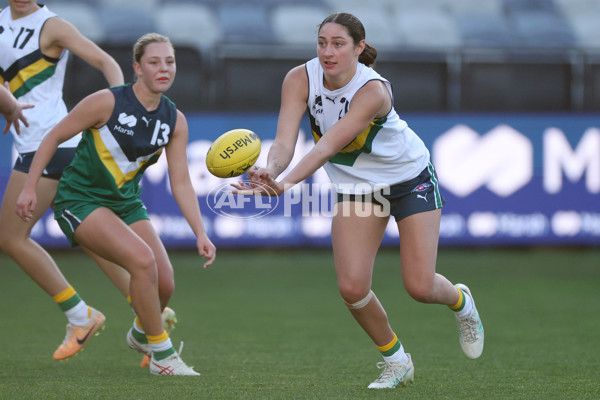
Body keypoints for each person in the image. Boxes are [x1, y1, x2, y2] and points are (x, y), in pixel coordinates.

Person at [232, 12, 484, 389]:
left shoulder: (373, 91)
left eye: (338, 44)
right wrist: (271, 168)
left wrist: (285, 185)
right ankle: (397, 361)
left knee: (419, 286)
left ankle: (461, 303)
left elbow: (329, 144)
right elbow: (285, 141)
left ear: (359, 47)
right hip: (357, 189)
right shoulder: (298, 78)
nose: (327, 52)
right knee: (351, 287)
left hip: (408, 179)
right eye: (322, 43)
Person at [16, 32, 216, 376]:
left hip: (125, 203)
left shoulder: (175, 120)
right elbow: (53, 136)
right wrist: (30, 187)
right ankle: (163, 358)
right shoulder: (106, 102)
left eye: (169, 62)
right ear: (137, 68)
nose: (164, 69)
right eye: (154, 62)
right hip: (79, 200)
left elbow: (180, 182)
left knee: (164, 284)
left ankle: (142, 334)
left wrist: (201, 232)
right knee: (142, 261)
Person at [0, 0, 132, 361]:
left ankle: (80, 315)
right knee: (90, 236)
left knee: (10, 237)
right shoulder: (1, 22)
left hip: (50, 143)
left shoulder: (51, 25)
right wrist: (8, 104)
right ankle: (153, 313)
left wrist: (119, 106)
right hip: (41, 144)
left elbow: (106, 61)